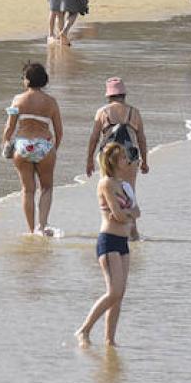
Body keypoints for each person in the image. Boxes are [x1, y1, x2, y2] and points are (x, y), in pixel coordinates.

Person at [76, 143, 138, 347]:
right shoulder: (106, 184)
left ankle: (110, 339)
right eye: (122, 158)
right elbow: (119, 215)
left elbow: (137, 212)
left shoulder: (124, 185)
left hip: (123, 242)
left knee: (120, 295)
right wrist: (126, 214)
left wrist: (126, 214)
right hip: (109, 240)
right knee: (114, 291)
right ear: (112, 161)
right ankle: (84, 330)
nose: (126, 161)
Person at [0, 61, 64, 236]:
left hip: (22, 146)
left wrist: (6, 143)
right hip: (44, 145)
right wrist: (53, 150)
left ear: (27, 80)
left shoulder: (17, 100)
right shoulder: (51, 102)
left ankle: (30, 230)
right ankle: (42, 227)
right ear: (44, 80)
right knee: (47, 188)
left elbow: (9, 127)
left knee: (27, 190)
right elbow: (59, 131)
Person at [85, 79, 148, 238]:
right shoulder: (134, 112)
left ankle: (111, 229)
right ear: (124, 94)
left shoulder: (102, 112)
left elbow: (93, 138)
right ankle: (133, 232)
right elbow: (141, 139)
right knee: (130, 192)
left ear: (109, 95)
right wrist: (145, 161)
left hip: (108, 155)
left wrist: (89, 160)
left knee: (109, 192)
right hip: (130, 156)